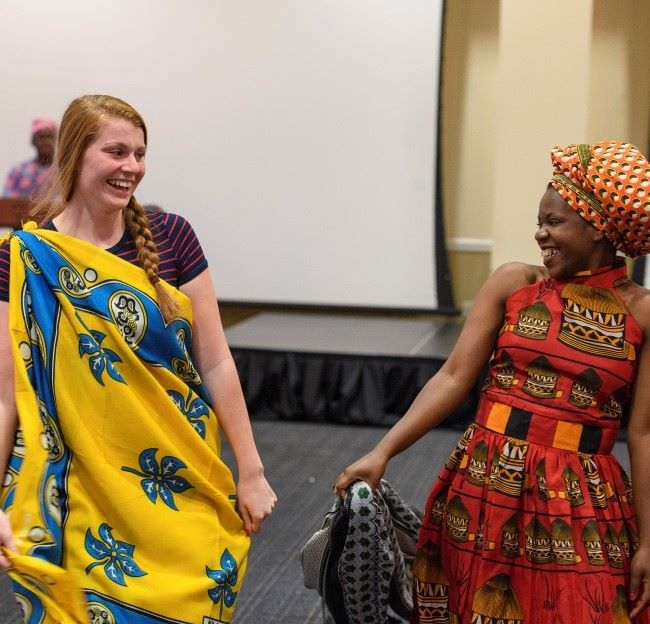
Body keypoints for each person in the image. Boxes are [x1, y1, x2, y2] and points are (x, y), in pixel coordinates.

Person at [335, 141, 650, 622]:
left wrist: (649, 541)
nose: (540, 234)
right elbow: (453, 377)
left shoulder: (642, 313)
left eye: (554, 222)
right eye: (539, 221)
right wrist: (382, 452)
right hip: (483, 483)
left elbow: (645, 435)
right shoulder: (514, 284)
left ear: (599, 226)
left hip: (580, 502)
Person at [0, 94, 276, 622]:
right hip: (83, 490)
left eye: (140, 154)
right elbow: (5, 393)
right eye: (116, 152)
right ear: (75, 155)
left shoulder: (172, 236)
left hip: (179, 474)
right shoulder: (24, 257)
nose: (132, 167)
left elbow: (216, 363)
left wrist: (251, 471)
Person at [3, 118, 57, 199]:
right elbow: (7, 202)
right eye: (42, 137)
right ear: (33, 141)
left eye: (50, 136)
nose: (46, 141)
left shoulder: (65, 171)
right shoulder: (19, 171)